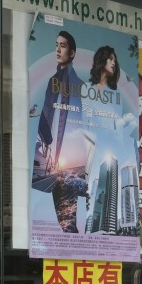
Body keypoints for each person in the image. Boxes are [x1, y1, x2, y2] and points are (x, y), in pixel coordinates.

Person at [34, 29, 82, 176]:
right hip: (43, 135)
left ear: (72, 53)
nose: (58, 49)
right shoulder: (52, 79)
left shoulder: (76, 83)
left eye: (63, 46)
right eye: (57, 45)